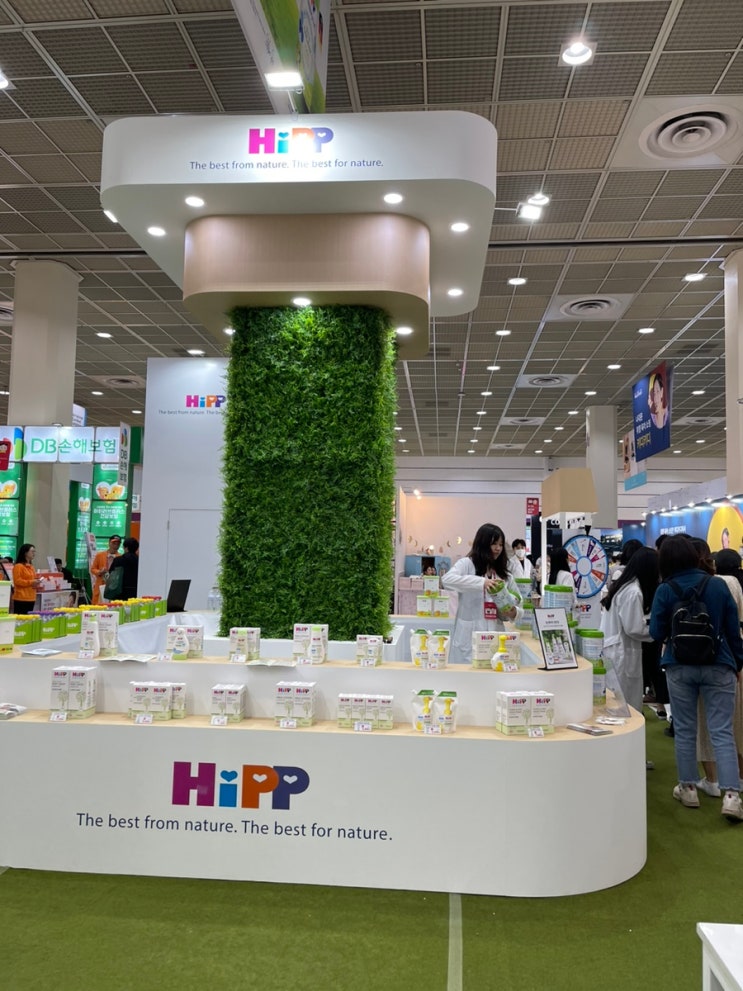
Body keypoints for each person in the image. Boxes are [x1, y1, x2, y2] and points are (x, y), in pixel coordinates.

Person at [649, 534, 743, 821]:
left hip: (678, 665)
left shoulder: (665, 589)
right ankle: (732, 796)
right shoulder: (717, 585)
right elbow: (732, 629)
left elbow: (656, 632)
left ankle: (688, 788)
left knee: (685, 729)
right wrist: (738, 663)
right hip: (719, 663)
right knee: (722, 731)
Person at [696, 547, 743, 798]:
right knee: (736, 721)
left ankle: (712, 780)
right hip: (734, 653)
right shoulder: (734, 583)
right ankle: (737, 782)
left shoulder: (715, 583)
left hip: (714, 655)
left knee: (709, 722)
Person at [442, 523, 523, 665]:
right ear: (483, 543)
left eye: (500, 544)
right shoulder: (467, 564)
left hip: (495, 635)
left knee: (493, 672)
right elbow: (447, 580)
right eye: (494, 544)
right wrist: (481, 582)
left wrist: (513, 612)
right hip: (469, 636)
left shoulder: (504, 574)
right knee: (468, 674)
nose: (498, 548)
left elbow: (519, 601)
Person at [600, 547, 658, 712]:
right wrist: (656, 631)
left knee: (617, 701)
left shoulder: (624, 586)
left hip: (615, 649)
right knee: (625, 704)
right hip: (621, 653)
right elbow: (634, 628)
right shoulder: (633, 592)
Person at [90, 534, 121, 605]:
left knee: (112, 605)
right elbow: (93, 569)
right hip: (101, 584)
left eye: (118, 544)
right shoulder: (100, 555)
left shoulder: (120, 557)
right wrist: (99, 572)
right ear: (109, 543)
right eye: (114, 543)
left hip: (113, 586)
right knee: (98, 605)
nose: (115, 545)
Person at [13, 543, 43, 614]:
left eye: (34, 551)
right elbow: (17, 581)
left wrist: (37, 582)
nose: (34, 553)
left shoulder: (31, 566)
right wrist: (32, 582)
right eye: (32, 551)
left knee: (28, 618)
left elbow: (32, 579)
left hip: (31, 597)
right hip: (21, 598)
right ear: (25, 553)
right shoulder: (18, 566)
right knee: (21, 618)